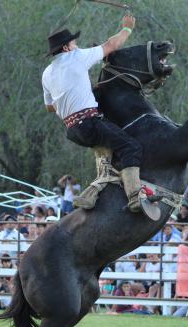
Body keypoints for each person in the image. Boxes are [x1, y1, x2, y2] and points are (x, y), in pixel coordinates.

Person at [43, 15, 160, 217]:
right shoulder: (76, 57)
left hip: (73, 130)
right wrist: (127, 28)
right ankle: (135, 197)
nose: (76, 44)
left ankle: (89, 195)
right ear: (66, 48)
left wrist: (72, 97)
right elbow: (111, 45)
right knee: (130, 146)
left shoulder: (47, 73)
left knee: (108, 158)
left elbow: (49, 107)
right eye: (73, 42)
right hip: (89, 123)